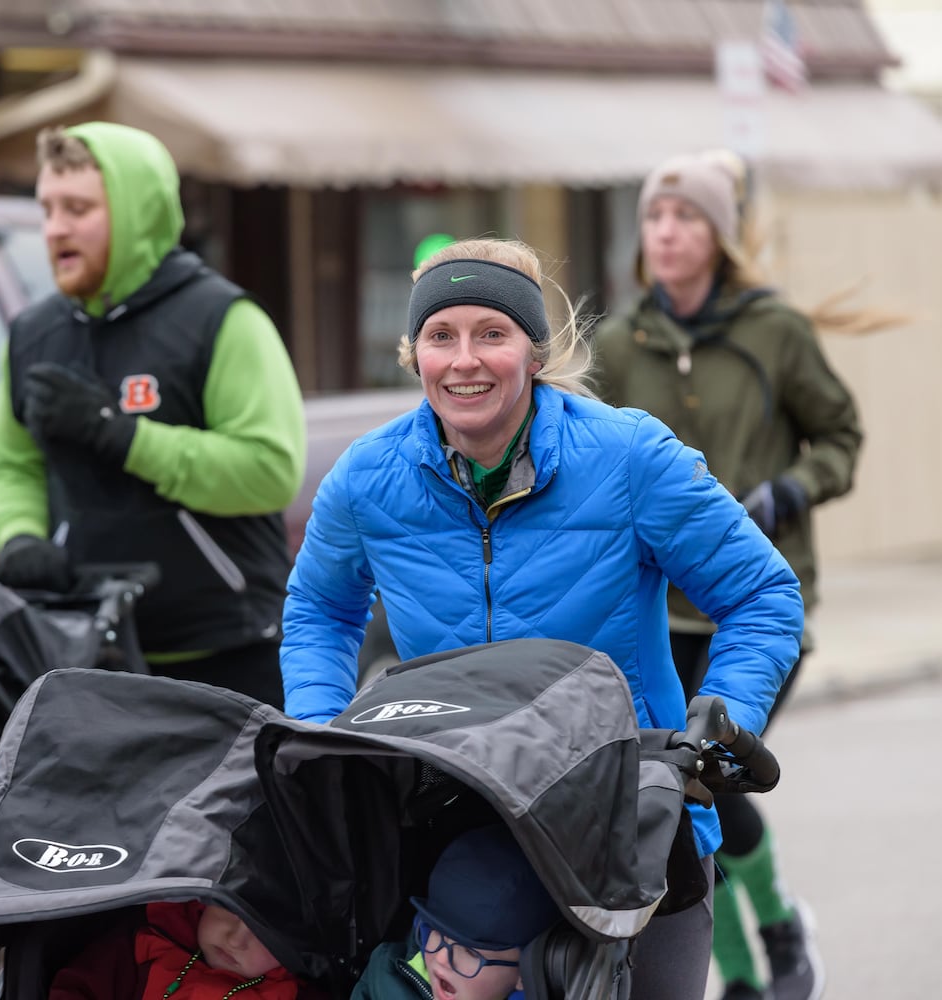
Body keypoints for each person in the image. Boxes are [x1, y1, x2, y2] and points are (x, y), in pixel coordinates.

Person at [278, 236, 803, 1000]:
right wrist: (324, 737)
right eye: (440, 336)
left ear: (533, 350)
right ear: (414, 352)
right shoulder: (368, 477)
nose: (464, 361)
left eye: (491, 334)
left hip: (633, 823)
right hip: (460, 830)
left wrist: (717, 721)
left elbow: (763, 594)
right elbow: (320, 609)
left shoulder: (629, 457)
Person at [594, 150, 856, 1000]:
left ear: (718, 235)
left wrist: (791, 489)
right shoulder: (620, 341)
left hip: (751, 605)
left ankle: (777, 930)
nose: (665, 233)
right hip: (653, 613)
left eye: (686, 217)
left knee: (711, 778)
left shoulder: (775, 332)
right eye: (654, 218)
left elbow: (841, 438)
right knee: (680, 794)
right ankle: (742, 976)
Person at [0, 122, 306, 707]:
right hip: (81, 655)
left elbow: (269, 469)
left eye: (77, 208)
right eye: (47, 209)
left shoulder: (222, 319)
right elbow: (10, 464)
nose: (55, 229)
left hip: (225, 653)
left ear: (138, 213)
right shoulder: (34, 334)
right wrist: (20, 536)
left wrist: (121, 435)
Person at [351, 824, 560, 1000]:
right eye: (436, 932)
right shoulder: (387, 976)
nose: (441, 957)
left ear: (526, 971)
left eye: (470, 951)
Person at [48, 899, 327, 1000]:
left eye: (265, 937)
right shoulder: (148, 942)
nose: (235, 940)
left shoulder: (291, 994)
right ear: (206, 901)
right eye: (229, 912)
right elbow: (76, 987)